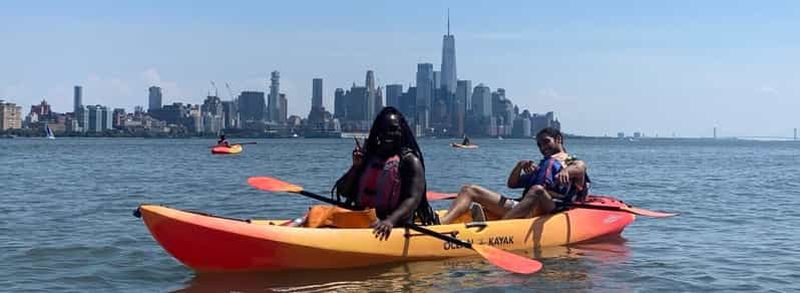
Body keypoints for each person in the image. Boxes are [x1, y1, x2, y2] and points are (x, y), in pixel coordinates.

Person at [439, 127, 588, 224]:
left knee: (537, 190)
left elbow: (580, 168)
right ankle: (441, 225)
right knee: (468, 190)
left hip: (549, 207)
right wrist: (519, 166)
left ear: (558, 139)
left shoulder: (570, 161)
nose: (543, 148)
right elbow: (512, 184)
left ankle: (497, 227)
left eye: (546, 142)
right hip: (522, 205)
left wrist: (566, 171)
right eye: (539, 145)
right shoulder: (542, 167)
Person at [332, 107, 439, 240]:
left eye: (394, 129)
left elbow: (413, 199)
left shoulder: (410, 161)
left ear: (402, 132)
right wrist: (356, 167)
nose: (388, 133)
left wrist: (390, 221)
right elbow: (343, 191)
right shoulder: (368, 158)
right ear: (377, 132)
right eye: (383, 129)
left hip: (394, 224)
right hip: (362, 221)